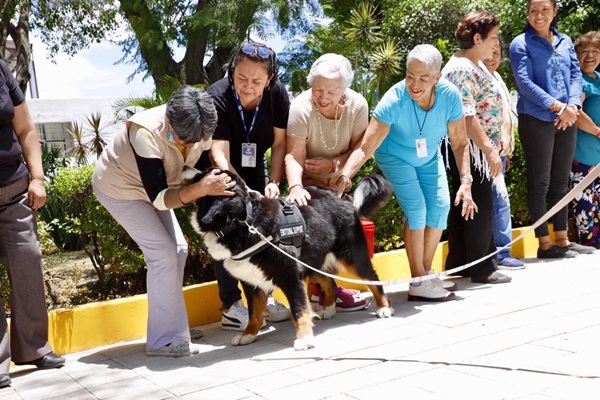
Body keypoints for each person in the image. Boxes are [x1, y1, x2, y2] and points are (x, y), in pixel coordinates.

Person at [329, 44, 476, 301]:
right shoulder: (394, 100)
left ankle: (425, 274)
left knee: (440, 206)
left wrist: (466, 180)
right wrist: (345, 177)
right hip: (395, 156)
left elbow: (460, 142)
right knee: (417, 209)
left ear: (437, 78)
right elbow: (366, 147)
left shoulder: (450, 96)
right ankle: (418, 281)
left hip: (429, 156)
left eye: (423, 78)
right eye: (410, 76)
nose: (415, 84)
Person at [92, 85, 228, 357]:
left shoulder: (200, 124)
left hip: (155, 189)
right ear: (168, 118)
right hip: (119, 189)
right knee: (162, 253)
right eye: (183, 139)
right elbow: (159, 197)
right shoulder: (143, 132)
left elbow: (196, 164)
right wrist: (201, 189)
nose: (190, 145)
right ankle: (163, 341)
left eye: (194, 140)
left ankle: (174, 329)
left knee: (178, 250)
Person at [208, 41, 292, 331]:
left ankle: (262, 299)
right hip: (220, 170)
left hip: (255, 164)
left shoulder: (278, 94)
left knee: (262, 227)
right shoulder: (217, 96)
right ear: (232, 72)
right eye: (241, 78)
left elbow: (280, 143)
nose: (248, 86)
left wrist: (274, 182)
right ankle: (231, 305)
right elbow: (218, 153)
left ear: (269, 80)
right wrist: (242, 190)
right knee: (228, 229)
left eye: (257, 81)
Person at [285, 53, 371, 311]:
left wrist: (337, 170)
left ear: (344, 90)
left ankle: (327, 290)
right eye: (317, 89)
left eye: (331, 92)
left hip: (338, 177)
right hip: (308, 180)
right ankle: (325, 291)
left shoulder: (357, 106)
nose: (322, 97)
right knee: (316, 234)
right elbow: (293, 155)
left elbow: (360, 148)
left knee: (340, 235)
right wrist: (295, 187)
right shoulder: (301, 107)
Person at [509, 0, 594, 258]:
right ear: (528, 12)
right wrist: (559, 107)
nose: (539, 15)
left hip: (567, 117)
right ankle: (544, 245)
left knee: (560, 181)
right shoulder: (520, 43)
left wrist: (572, 107)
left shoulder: (565, 41)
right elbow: (524, 83)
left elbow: (575, 75)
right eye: (534, 10)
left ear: (555, 11)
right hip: (537, 119)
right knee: (540, 182)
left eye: (545, 9)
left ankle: (562, 239)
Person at [0, 59, 65, 388]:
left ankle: (34, 348)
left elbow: (25, 128)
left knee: (28, 261)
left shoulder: (0, 69)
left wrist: (37, 177)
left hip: (14, 189)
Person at [441, 11, 513, 284]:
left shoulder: (474, 64)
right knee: (479, 203)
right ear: (477, 37)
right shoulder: (461, 68)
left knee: (468, 206)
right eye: (492, 37)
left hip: (478, 147)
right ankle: (484, 267)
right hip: (470, 148)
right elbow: (467, 116)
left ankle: (461, 262)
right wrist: (489, 149)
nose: (495, 44)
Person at [482, 43, 527, 270]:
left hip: (499, 154)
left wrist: (506, 152)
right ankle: (501, 253)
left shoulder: (497, 77)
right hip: (484, 155)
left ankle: (500, 252)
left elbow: (504, 119)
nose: (491, 57)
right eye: (488, 51)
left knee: (499, 203)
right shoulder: (480, 78)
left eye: (496, 53)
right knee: (499, 204)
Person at [570, 31, 600, 249]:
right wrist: (598, 131)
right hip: (584, 157)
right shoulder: (577, 81)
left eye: (595, 51)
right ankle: (588, 245)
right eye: (584, 52)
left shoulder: (598, 78)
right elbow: (577, 114)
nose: (590, 56)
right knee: (586, 207)